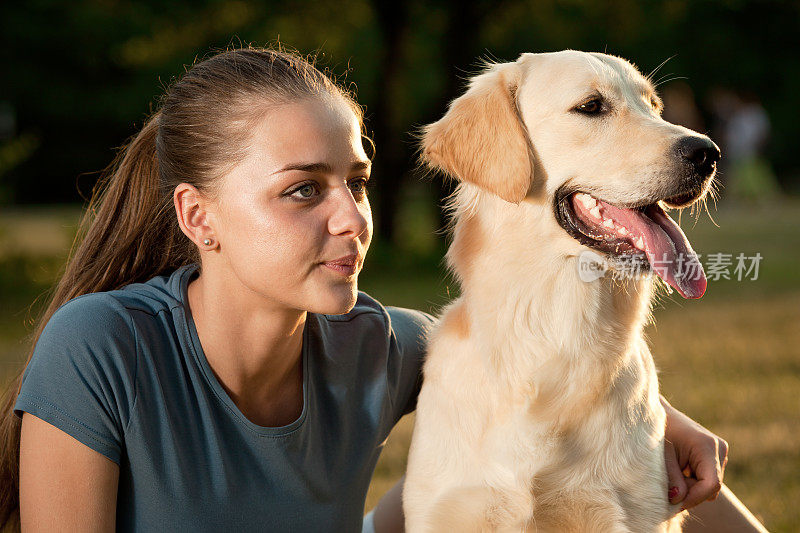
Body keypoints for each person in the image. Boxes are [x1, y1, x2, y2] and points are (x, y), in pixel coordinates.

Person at [0, 47, 765, 532]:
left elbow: (529, 361)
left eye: (357, 182)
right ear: (199, 217)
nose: (351, 218)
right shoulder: (101, 346)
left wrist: (664, 420)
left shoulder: (382, 344)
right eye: (303, 191)